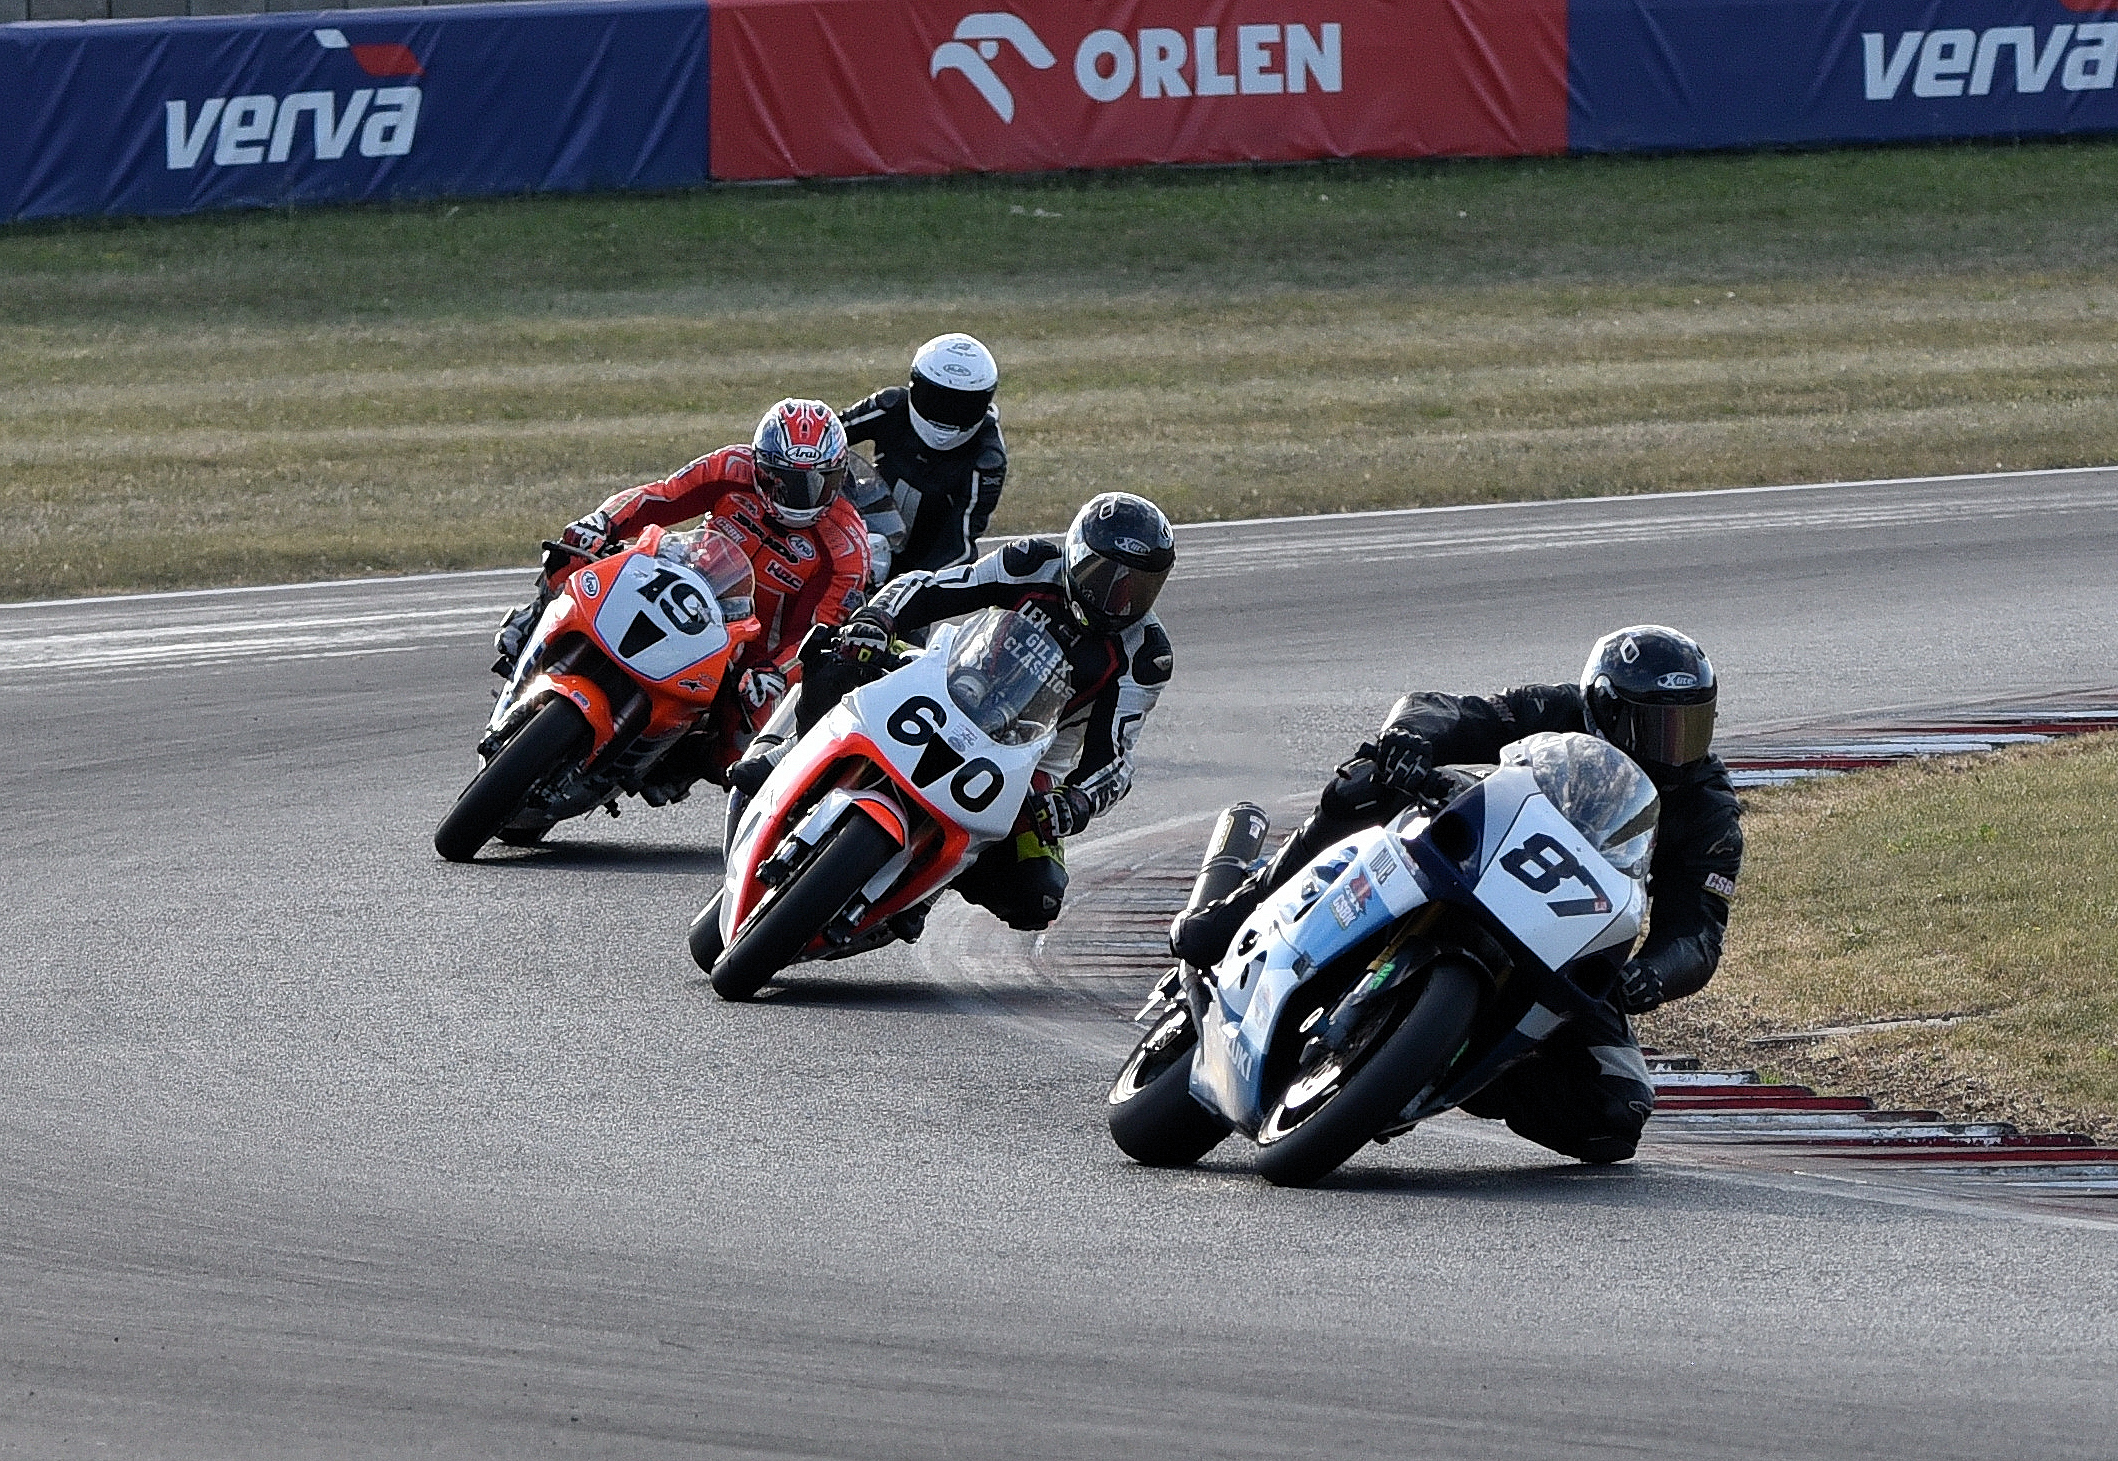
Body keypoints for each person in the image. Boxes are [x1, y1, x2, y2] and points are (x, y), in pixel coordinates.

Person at [1169, 624, 1744, 1165]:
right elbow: (1445, 709)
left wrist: (1655, 974)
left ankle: (1447, 1064)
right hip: (1475, 854)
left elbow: (1698, 934)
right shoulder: (1557, 710)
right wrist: (1409, 738)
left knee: (1614, 1114)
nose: (1676, 747)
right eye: (1658, 726)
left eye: (1691, 726)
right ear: (1607, 708)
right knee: (1365, 782)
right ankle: (1239, 909)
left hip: (1560, 933)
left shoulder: (1709, 811)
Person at [727, 491, 1176, 934]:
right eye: (1105, 575)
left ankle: (927, 884)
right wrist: (877, 620)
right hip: (951, 680)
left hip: (1031, 756)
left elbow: (1115, 757)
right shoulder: (1032, 562)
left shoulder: (1145, 656)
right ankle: (790, 751)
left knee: (1037, 894)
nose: (1118, 598)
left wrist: (1076, 801)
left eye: (1139, 586)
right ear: (1076, 554)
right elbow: (931, 588)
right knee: (839, 651)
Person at [490, 399, 871, 801]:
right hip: (682, 581)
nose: (800, 497)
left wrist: (777, 671)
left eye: (817, 483)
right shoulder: (732, 467)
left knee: (742, 749)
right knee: (573, 554)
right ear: (760, 466)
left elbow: (823, 630)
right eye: (784, 481)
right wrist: (601, 522)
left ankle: (678, 763)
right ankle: (535, 619)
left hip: (750, 649)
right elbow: (662, 496)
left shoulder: (847, 547)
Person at [839, 333, 1007, 584]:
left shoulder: (987, 459)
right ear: (915, 386)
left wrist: (913, 584)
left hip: (924, 566)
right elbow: (825, 436)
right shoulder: (889, 406)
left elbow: (960, 544)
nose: (947, 414)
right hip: (862, 534)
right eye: (936, 400)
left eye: (962, 406)